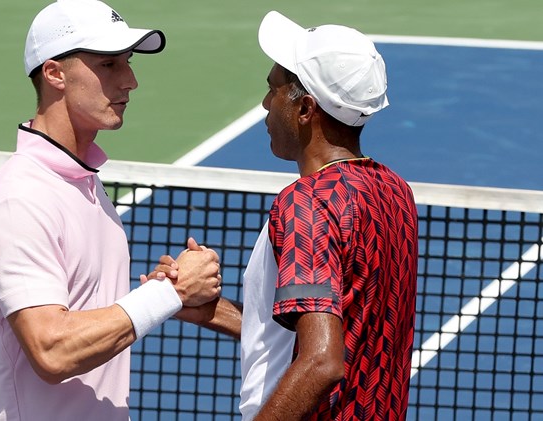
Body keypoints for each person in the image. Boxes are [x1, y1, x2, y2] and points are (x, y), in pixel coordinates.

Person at [148, 10, 418, 420]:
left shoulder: (307, 203)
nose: (265, 104)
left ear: (305, 109)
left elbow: (322, 362)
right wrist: (212, 311)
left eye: (273, 89)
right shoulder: (394, 191)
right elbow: (343, 329)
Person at [0, 1, 221, 419]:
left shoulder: (83, 185)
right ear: (55, 74)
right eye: (109, 64)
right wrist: (168, 292)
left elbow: (87, 315)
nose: (130, 80)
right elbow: (51, 350)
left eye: (128, 62)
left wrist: (165, 294)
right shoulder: (19, 199)